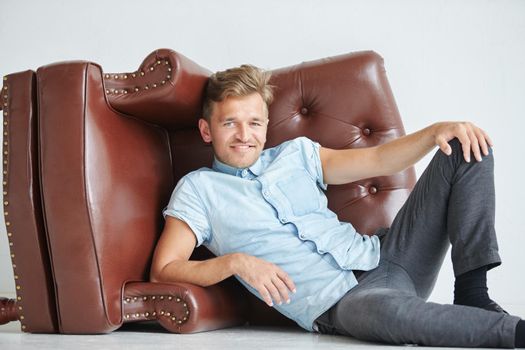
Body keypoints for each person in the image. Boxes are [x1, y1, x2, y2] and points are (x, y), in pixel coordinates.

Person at [150, 64, 524, 348]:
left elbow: (378, 160)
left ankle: (474, 293)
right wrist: (235, 262)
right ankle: (515, 333)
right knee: (395, 316)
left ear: (265, 126)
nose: (245, 135)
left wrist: (437, 131)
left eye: (254, 122)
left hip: (391, 255)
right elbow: (165, 270)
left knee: (466, 144)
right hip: (344, 303)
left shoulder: (297, 154)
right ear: (206, 130)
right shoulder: (199, 189)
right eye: (230, 123)